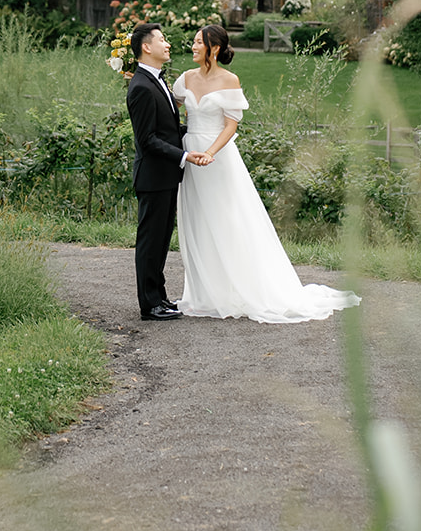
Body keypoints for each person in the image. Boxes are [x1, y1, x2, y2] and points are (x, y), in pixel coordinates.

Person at [171, 23, 360, 323]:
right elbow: (167, 106)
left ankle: (241, 288)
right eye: (193, 42)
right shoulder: (185, 79)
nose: (192, 47)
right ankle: (206, 293)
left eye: (198, 42)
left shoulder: (229, 80)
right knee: (198, 220)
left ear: (214, 48)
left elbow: (231, 126)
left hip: (218, 158)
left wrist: (210, 152)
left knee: (228, 220)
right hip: (191, 157)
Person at [125, 22, 212, 321]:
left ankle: (159, 297)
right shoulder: (140, 87)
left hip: (165, 176)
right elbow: (147, 140)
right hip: (153, 177)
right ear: (146, 47)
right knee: (150, 241)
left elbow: (168, 130)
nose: (168, 44)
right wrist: (185, 155)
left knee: (161, 240)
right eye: (162, 39)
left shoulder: (156, 81)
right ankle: (149, 305)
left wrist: (202, 133)